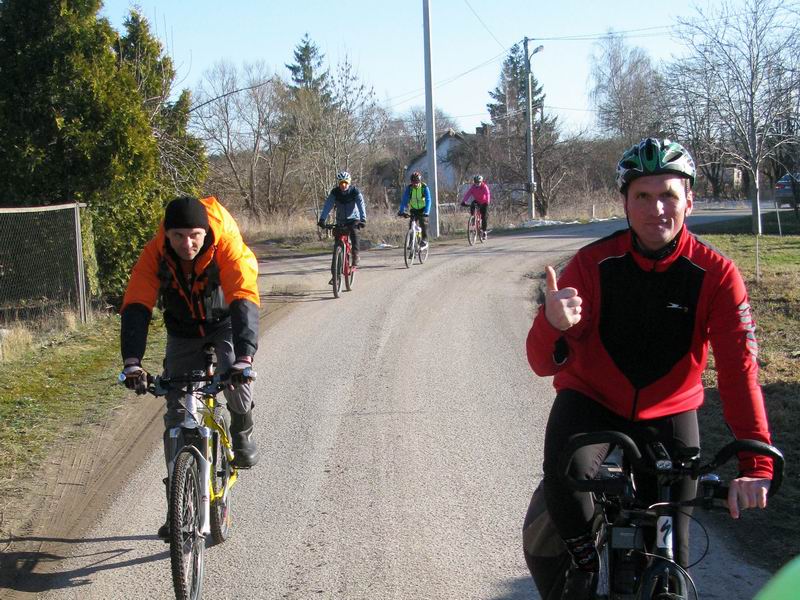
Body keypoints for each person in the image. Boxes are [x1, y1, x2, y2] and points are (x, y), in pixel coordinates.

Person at [525, 138, 775, 599]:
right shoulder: (592, 264)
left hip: (670, 410)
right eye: (642, 195)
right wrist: (550, 323)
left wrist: (756, 464)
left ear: (689, 201)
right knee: (565, 479)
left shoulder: (717, 275)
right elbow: (541, 363)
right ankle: (582, 564)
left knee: (671, 557)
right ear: (625, 201)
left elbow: (740, 371)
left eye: (668, 195)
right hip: (592, 403)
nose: (655, 208)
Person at [120, 195, 261, 539]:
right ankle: (178, 503)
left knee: (238, 389)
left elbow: (243, 295)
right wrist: (132, 363)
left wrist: (244, 358)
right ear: (166, 235)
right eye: (179, 236)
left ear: (205, 232)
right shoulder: (155, 254)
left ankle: (241, 431)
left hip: (225, 323)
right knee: (176, 414)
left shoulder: (226, 246)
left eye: (195, 234)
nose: (188, 243)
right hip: (183, 330)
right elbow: (137, 303)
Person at [317, 170, 367, 265]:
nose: (343, 185)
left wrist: (363, 219)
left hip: (353, 219)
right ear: (339, 183)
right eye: (341, 183)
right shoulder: (335, 193)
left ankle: (355, 254)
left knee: (354, 232)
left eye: (345, 183)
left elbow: (361, 205)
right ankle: (335, 275)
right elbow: (328, 205)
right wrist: (322, 219)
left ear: (349, 182)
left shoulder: (354, 192)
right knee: (337, 244)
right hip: (340, 220)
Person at [398, 171, 432, 249]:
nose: (415, 184)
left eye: (417, 182)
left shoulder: (424, 188)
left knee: (423, 222)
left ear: (419, 181)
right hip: (414, 209)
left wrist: (426, 211)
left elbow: (428, 200)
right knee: (411, 226)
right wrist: (401, 210)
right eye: (413, 182)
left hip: (423, 209)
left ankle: (424, 240)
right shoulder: (409, 188)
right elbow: (404, 200)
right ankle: (411, 243)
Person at [461, 174, 491, 240]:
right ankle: (473, 218)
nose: (477, 184)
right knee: (472, 204)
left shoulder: (484, 186)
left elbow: (487, 194)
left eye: (478, 182)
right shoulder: (473, 187)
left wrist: (487, 202)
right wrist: (464, 201)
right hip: (477, 201)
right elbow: (468, 194)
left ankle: (484, 232)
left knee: (484, 217)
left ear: (481, 182)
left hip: (484, 202)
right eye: (476, 182)